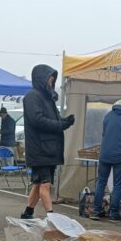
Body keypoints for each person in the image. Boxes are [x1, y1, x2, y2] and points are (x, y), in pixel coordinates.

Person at [21, 64, 74, 219]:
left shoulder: (47, 97)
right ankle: (52, 217)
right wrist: (61, 125)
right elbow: (37, 120)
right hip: (40, 149)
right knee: (45, 184)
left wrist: (65, 121)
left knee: (39, 184)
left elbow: (52, 120)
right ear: (42, 79)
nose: (52, 82)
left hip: (49, 149)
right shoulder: (33, 96)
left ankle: (27, 213)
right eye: (50, 79)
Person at [91, 94, 121, 222]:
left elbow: (104, 134)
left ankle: (96, 211)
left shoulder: (108, 115)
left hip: (105, 154)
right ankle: (114, 213)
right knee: (117, 185)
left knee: (101, 182)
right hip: (120, 155)